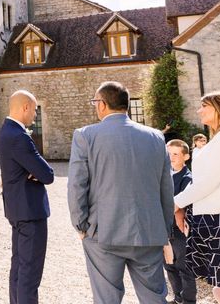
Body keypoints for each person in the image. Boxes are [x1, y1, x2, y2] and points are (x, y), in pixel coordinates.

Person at [68, 81, 173, 304]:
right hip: (148, 231)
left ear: (103, 104)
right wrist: (163, 229)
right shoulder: (156, 137)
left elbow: (77, 185)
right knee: (154, 298)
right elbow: (166, 187)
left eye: (95, 102)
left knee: (107, 299)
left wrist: (81, 226)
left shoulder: (85, 135)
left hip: (103, 232)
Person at [0, 90, 54, 304]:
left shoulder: (6, 131)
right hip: (30, 211)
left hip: (16, 208)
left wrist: (34, 171)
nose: (35, 115)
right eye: (34, 109)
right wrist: (36, 172)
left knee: (19, 268)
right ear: (25, 107)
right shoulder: (19, 136)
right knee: (30, 274)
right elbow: (47, 174)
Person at [174, 92, 220, 304]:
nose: (199, 110)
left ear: (219, 108)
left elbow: (207, 182)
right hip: (211, 220)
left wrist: (176, 203)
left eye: (204, 106)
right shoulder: (218, 138)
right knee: (219, 287)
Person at [164, 139, 196, 304]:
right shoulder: (163, 175)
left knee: (184, 267)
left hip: (179, 229)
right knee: (169, 265)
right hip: (164, 228)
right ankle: (178, 298)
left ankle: (189, 300)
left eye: (176, 154)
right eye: (169, 154)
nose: (171, 157)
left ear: (186, 156)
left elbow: (179, 203)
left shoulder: (187, 178)